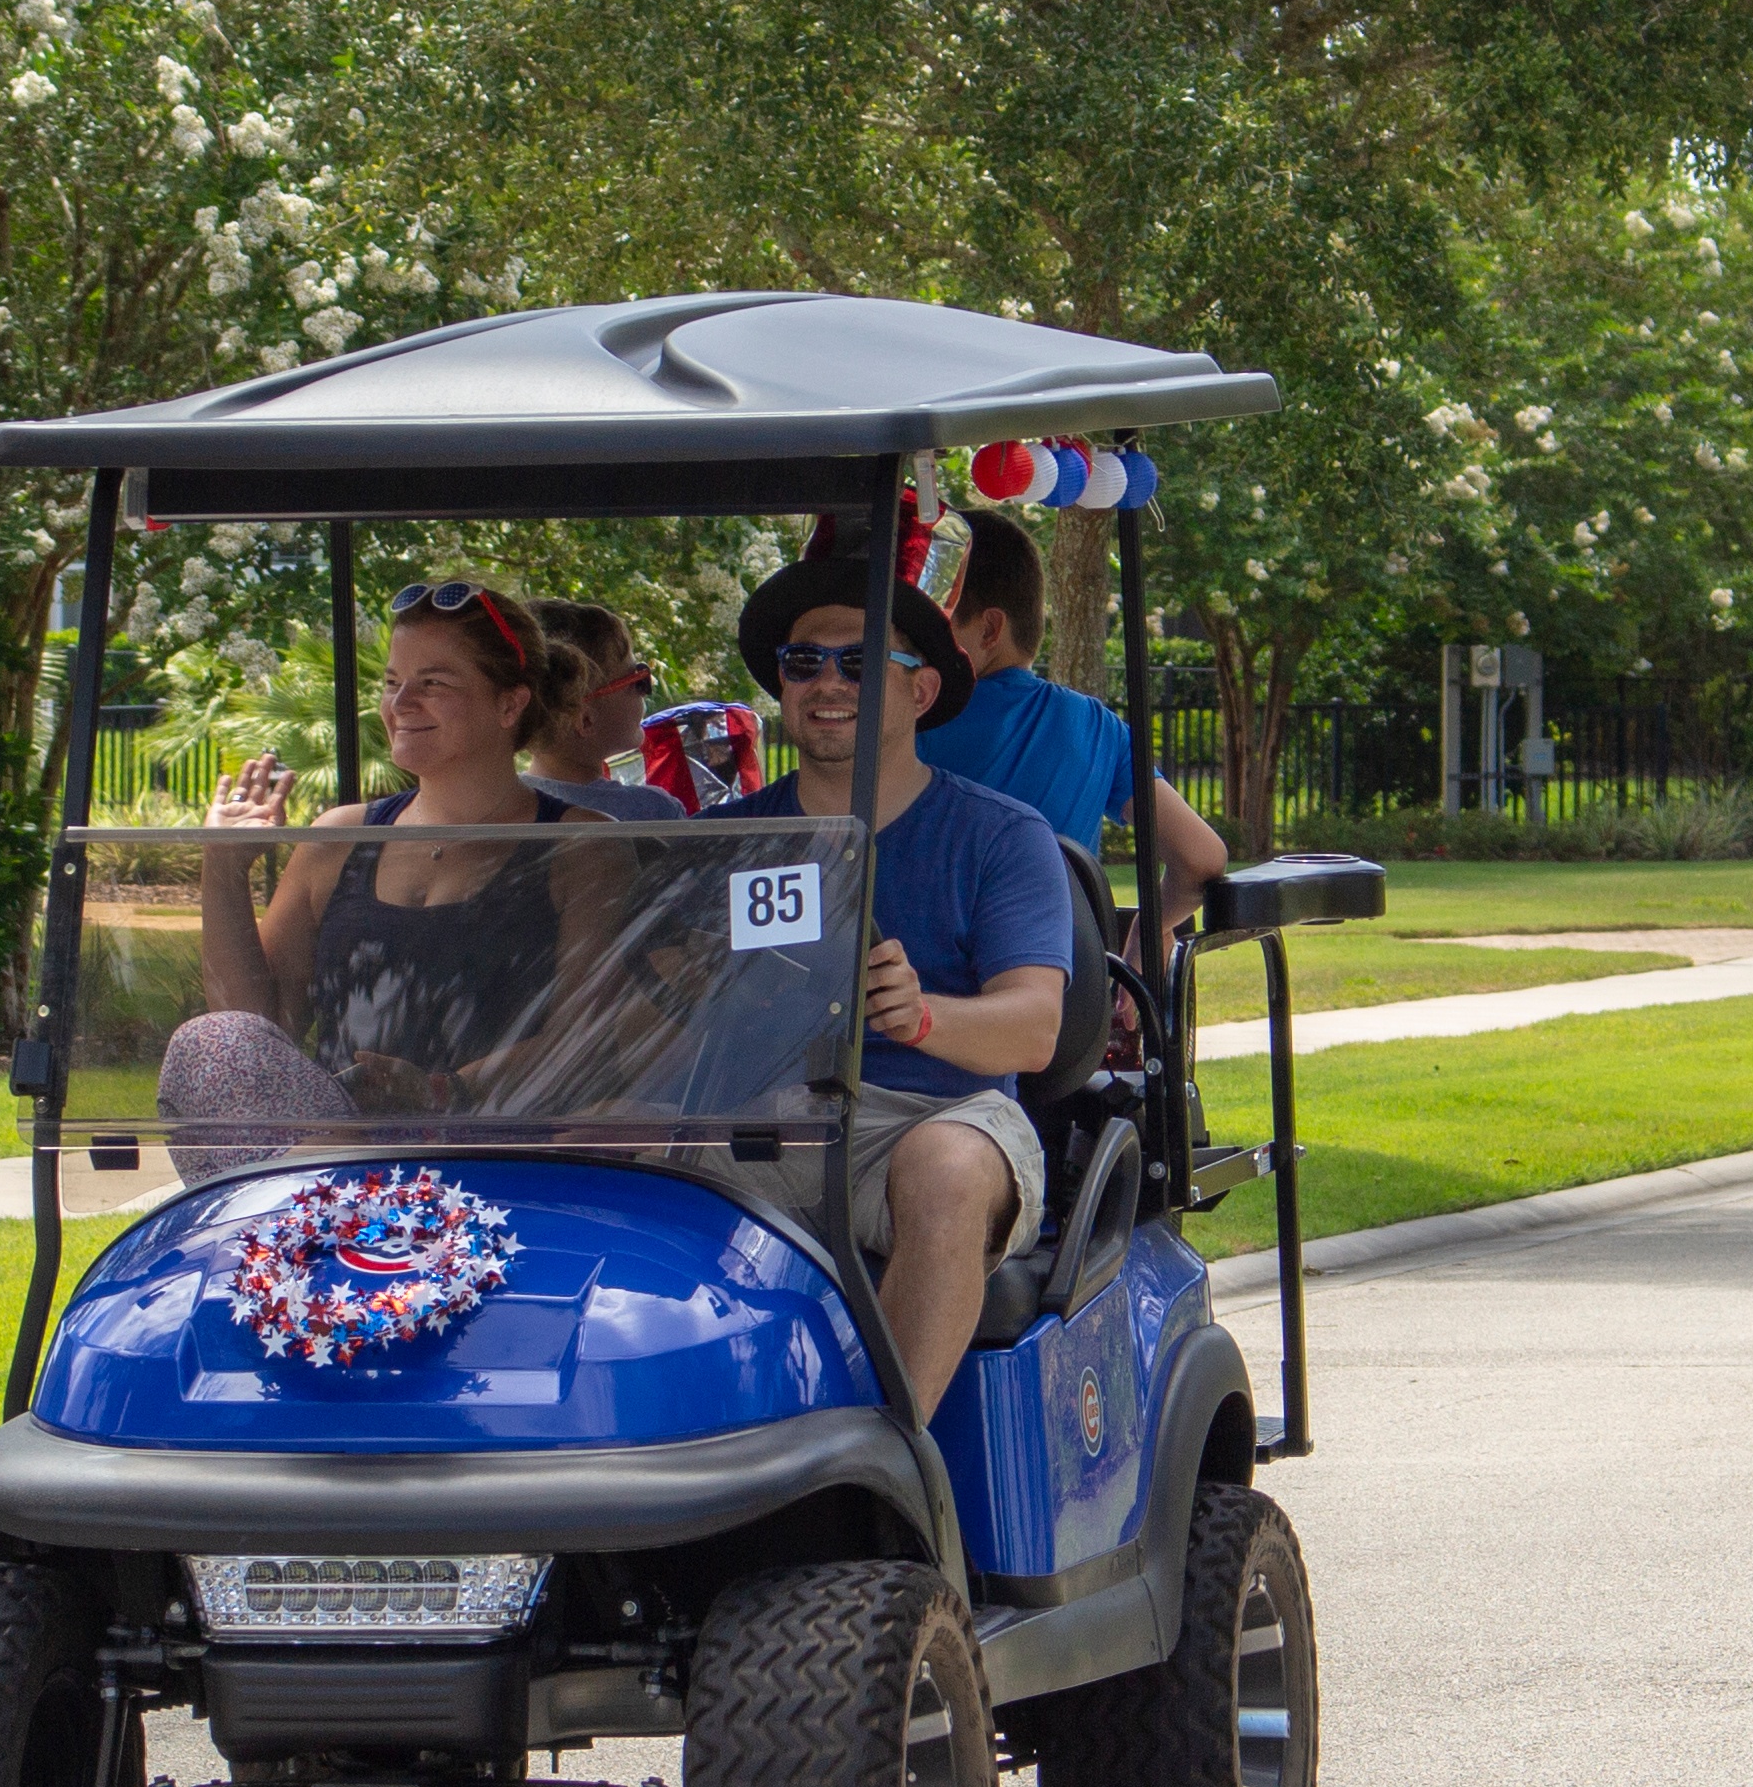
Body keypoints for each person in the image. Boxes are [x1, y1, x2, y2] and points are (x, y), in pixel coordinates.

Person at [706, 558, 1072, 1422]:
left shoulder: (998, 835)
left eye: (863, 664)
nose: (830, 684)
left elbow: (1032, 1030)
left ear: (922, 690)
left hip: (937, 1114)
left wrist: (921, 1014)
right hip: (769, 1120)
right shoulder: (723, 843)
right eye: (805, 663)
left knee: (944, 1171)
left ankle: (884, 1466)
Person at [161, 579, 618, 1174]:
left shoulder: (582, 846)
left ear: (510, 704)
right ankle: (323, 1195)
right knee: (209, 1040)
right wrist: (222, 866)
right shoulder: (338, 838)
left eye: (433, 683)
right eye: (392, 682)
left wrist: (440, 1092)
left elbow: (595, 1035)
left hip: (506, 1162)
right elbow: (261, 1028)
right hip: (336, 1177)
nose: (401, 704)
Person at [921, 511, 1231, 914]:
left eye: (934, 622)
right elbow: (1200, 857)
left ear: (988, 630)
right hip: (1066, 971)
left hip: (927, 972)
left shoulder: (913, 718)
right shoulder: (1100, 729)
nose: (916, 642)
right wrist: (1145, 939)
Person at [520, 596, 684, 819]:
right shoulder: (651, 811)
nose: (645, 689)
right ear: (585, 720)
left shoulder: (500, 808)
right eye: (637, 678)